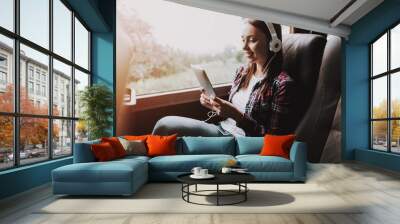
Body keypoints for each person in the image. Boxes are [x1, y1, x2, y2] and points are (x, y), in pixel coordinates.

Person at [152, 19, 297, 137]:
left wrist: (237, 116)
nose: (244, 47)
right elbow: (229, 114)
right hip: (221, 129)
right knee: (164, 127)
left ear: (273, 43)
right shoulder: (242, 72)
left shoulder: (282, 84)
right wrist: (215, 106)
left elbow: (274, 139)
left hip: (239, 142)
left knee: (165, 125)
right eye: (242, 40)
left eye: (252, 40)